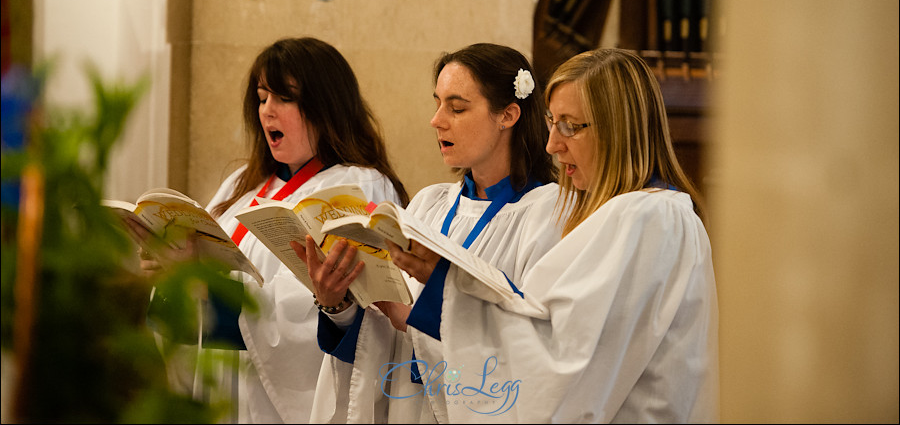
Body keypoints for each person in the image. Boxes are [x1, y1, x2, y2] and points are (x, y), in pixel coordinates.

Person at [388, 48, 719, 422]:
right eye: (551, 123)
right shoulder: (631, 214)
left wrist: (445, 290)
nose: (552, 145)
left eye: (570, 126)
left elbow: (557, 363)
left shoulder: (647, 217)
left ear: (616, 128)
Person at [139, 37, 408, 424]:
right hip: (221, 388)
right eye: (262, 97)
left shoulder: (359, 185)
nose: (267, 110)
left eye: (284, 98)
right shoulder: (240, 186)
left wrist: (203, 286)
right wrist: (171, 280)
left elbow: (310, 306)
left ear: (326, 106)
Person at [291, 42, 563, 423]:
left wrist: (422, 313)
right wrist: (338, 305)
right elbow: (383, 332)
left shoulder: (549, 213)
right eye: (437, 103)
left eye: (457, 107)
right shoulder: (428, 206)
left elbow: (535, 344)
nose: (437, 120)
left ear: (508, 114)